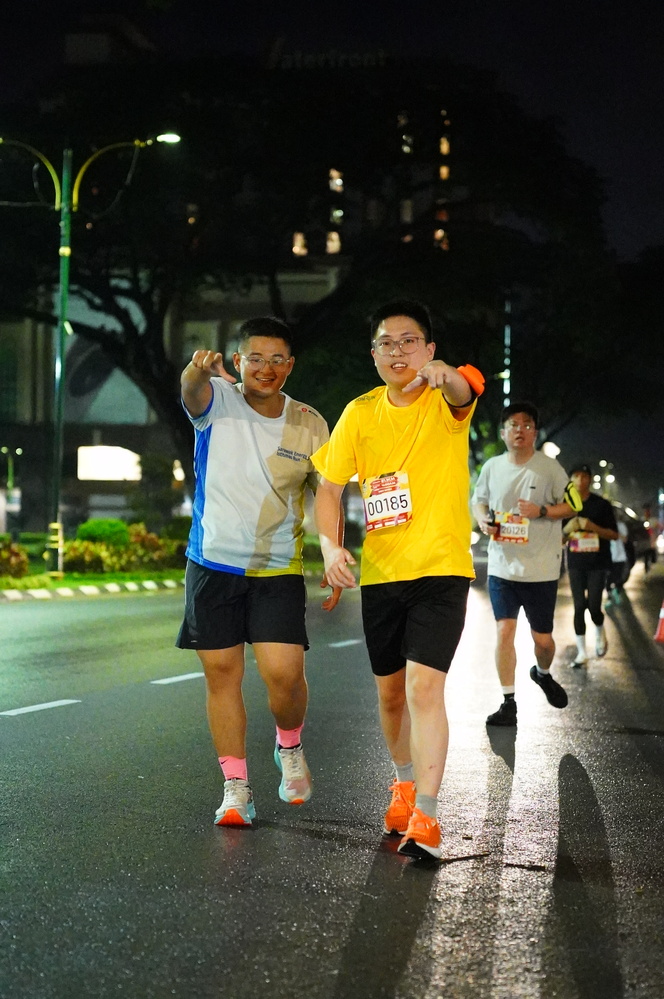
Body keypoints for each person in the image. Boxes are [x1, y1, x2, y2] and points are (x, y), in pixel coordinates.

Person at [312, 300, 485, 861]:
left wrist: (447, 375)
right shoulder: (359, 412)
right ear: (373, 354)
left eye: (409, 341)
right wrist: (331, 546)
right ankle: (404, 786)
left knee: (423, 689)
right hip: (383, 574)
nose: (398, 352)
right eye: (386, 343)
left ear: (429, 348)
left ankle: (428, 817)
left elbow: (464, 389)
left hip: (441, 569)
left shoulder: (445, 398)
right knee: (390, 696)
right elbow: (329, 487)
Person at [176, 316, 333, 827]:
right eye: (256, 358)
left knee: (284, 676)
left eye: (277, 359)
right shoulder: (215, 400)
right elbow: (190, 390)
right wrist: (197, 370)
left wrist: (333, 554)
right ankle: (236, 788)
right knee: (222, 675)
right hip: (212, 563)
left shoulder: (310, 423)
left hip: (276, 569)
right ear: (239, 360)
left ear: (291, 365)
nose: (266, 368)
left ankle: (289, 745)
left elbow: (326, 495)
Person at [472, 402, 574, 727]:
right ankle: (508, 702)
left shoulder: (550, 469)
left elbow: (573, 505)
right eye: (513, 425)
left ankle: (541, 673)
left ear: (535, 432)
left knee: (542, 641)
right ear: (503, 433)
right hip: (502, 567)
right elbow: (479, 501)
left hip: (541, 569)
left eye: (526, 425)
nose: (519, 430)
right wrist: (483, 521)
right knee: (504, 632)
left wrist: (541, 511)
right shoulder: (492, 467)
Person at [563, 464, 618, 664]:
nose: (580, 480)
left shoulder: (601, 504)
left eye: (584, 476)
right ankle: (581, 653)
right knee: (579, 606)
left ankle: (600, 631)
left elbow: (614, 534)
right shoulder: (564, 506)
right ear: (570, 480)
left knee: (594, 606)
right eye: (576, 476)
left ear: (590, 479)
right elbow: (559, 539)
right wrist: (567, 530)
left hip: (598, 563)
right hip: (576, 563)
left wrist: (592, 527)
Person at [606, 518, 629, 607]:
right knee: (608, 578)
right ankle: (609, 596)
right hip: (608, 557)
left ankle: (617, 593)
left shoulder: (621, 526)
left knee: (618, 577)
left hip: (619, 557)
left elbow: (625, 539)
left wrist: (615, 533)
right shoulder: (604, 525)